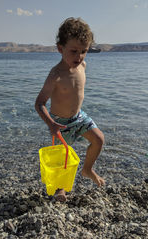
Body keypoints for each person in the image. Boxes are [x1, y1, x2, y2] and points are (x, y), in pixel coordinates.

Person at [35, 17, 105, 201]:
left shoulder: (83, 65)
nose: (79, 56)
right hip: (60, 123)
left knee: (99, 140)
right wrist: (51, 124)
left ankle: (87, 169)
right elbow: (40, 103)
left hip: (79, 117)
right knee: (62, 160)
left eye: (84, 51)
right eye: (73, 51)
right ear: (60, 49)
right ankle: (60, 190)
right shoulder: (56, 74)